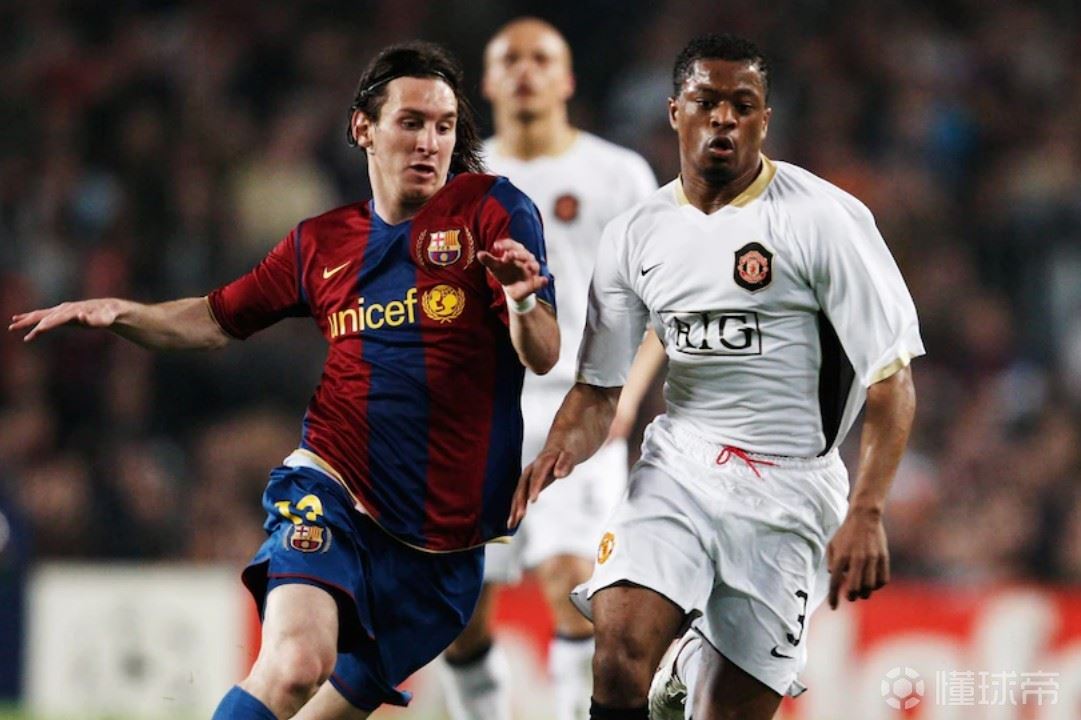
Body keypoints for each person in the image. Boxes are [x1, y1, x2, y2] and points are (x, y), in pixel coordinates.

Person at [10, 41, 560, 720]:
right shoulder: (320, 243)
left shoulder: (493, 210)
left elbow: (543, 355)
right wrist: (123, 314)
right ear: (364, 127)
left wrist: (522, 302)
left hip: (445, 552)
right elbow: (215, 318)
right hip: (333, 489)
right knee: (296, 664)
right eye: (411, 122)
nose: (429, 142)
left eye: (444, 126)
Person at [510, 33, 924, 720]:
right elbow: (599, 388)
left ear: (764, 119)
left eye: (743, 104)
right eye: (706, 101)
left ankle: (690, 669)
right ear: (675, 111)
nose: (724, 118)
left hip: (792, 490)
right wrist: (557, 451)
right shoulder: (636, 234)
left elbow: (891, 380)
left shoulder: (825, 220)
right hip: (681, 464)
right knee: (616, 656)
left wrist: (867, 509)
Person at [438, 18, 664, 720]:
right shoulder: (458, 179)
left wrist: (624, 396)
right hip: (480, 413)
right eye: (510, 59)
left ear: (566, 79)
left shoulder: (619, 175)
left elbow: (664, 303)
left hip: (580, 401)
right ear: (487, 82)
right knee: (459, 607)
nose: (525, 70)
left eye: (541, 58)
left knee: (575, 583)